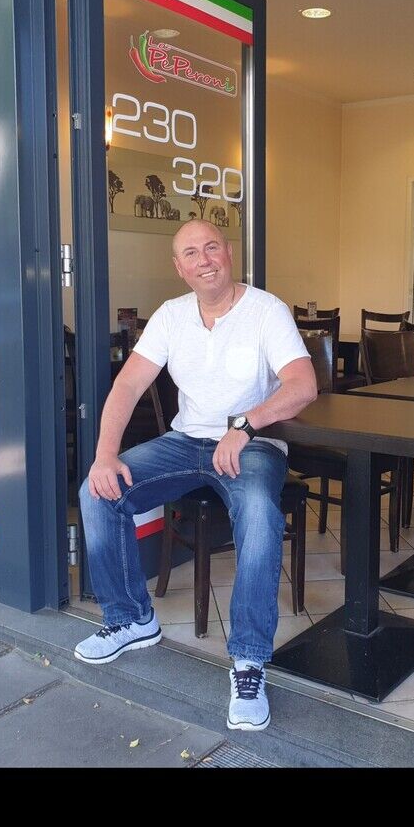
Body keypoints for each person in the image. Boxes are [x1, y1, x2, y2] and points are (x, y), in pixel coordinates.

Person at [74, 219, 317, 732]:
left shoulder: (266, 310)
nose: (203, 259)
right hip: (186, 442)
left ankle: (249, 660)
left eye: (211, 248)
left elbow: (303, 385)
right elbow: (127, 386)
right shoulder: (171, 315)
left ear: (228, 253)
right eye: (191, 253)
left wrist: (245, 425)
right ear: (179, 267)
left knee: (258, 513)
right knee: (98, 491)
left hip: (253, 444)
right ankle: (131, 620)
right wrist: (104, 454)